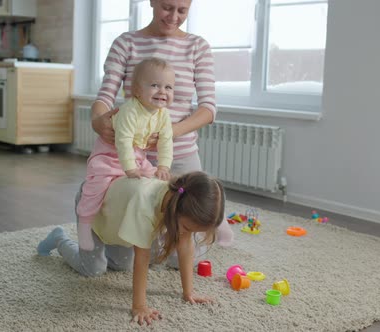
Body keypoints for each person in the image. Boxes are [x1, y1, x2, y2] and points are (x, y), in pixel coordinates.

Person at [90, 0, 234, 249]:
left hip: (180, 155)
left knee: (180, 254)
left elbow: (208, 109)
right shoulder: (126, 43)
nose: (174, 16)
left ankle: (218, 224)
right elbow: (104, 97)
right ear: (152, 2)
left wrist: (168, 133)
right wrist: (97, 121)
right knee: (135, 242)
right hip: (133, 159)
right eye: (167, 7)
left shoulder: (196, 46)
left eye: (182, 10)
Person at [37, 171, 225, 325]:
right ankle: (59, 238)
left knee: (122, 265)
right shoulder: (144, 205)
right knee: (93, 269)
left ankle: (105, 245)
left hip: (118, 218)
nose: (187, 234)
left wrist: (188, 292)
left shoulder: (176, 202)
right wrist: (139, 306)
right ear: (176, 210)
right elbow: (141, 258)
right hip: (93, 205)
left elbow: (185, 245)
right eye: (188, 228)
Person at [76, 58, 176, 251]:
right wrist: (129, 169)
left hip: (137, 156)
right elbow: (122, 141)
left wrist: (164, 166)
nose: (162, 91)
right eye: (155, 85)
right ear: (137, 91)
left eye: (169, 87)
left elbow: (166, 141)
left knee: (158, 182)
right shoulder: (130, 111)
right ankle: (85, 222)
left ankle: (159, 226)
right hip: (109, 155)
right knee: (98, 185)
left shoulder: (163, 114)